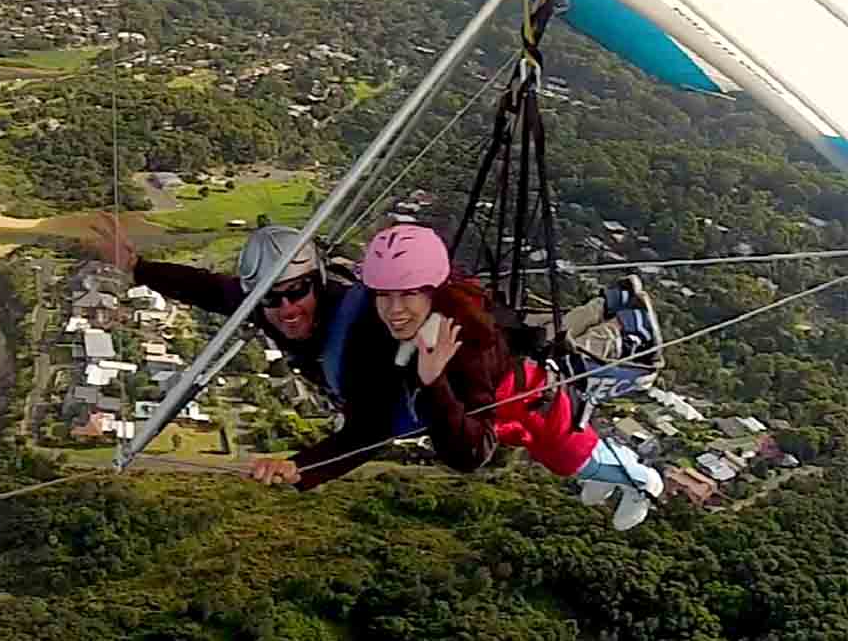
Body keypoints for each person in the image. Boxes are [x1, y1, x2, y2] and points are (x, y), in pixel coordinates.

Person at [88, 214, 497, 489]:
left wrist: (300, 466)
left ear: (317, 282)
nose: (287, 309)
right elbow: (211, 289)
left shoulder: (365, 335)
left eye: (298, 292)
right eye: (270, 298)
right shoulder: (269, 309)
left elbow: (369, 433)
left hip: (432, 403)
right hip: (390, 395)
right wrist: (138, 267)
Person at [360, 223, 664, 530]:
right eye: (385, 295)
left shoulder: (451, 337)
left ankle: (643, 481)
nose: (395, 307)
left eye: (407, 293)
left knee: (572, 457)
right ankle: (614, 303)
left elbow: (479, 442)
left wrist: (439, 392)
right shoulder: (452, 302)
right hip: (520, 375)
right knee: (554, 343)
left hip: (527, 400)